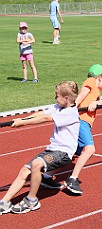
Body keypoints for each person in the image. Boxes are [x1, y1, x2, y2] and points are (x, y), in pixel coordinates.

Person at [0, 81, 79, 215]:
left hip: (64, 152)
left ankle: (32, 200)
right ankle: (5, 202)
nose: (55, 98)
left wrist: (23, 124)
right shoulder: (59, 107)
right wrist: (22, 119)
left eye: (57, 96)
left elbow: (46, 119)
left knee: (36, 165)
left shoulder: (71, 113)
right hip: (52, 150)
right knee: (25, 171)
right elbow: (42, 114)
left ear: (66, 98)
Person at [41, 64, 102, 194]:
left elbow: (101, 102)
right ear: (99, 77)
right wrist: (72, 108)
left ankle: (46, 176)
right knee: (90, 149)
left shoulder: (96, 91)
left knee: (69, 154)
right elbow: (82, 95)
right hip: (81, 121)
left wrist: (95, 103)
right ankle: (73, 179)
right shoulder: (91, 82)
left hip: (84, 123)